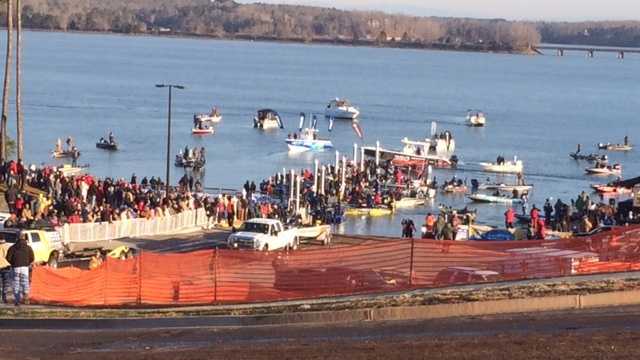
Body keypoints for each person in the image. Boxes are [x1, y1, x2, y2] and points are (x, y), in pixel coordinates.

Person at [6, 234, 34, 306]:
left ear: (17, 239)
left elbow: (8, 258)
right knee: (25, 282)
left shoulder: (12, 247)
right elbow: (32, 257)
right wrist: (27, 262)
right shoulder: (28, 248)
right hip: (25, 267)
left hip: (16, 267)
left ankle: (17, 300)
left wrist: (13, 263)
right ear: (25, 239)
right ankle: (26, 298)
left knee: (16, 283)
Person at [0, 237, 10, 304]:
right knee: (5, 283)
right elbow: (9, 256)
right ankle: (4, 297)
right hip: (6, 266)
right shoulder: (7, 246)